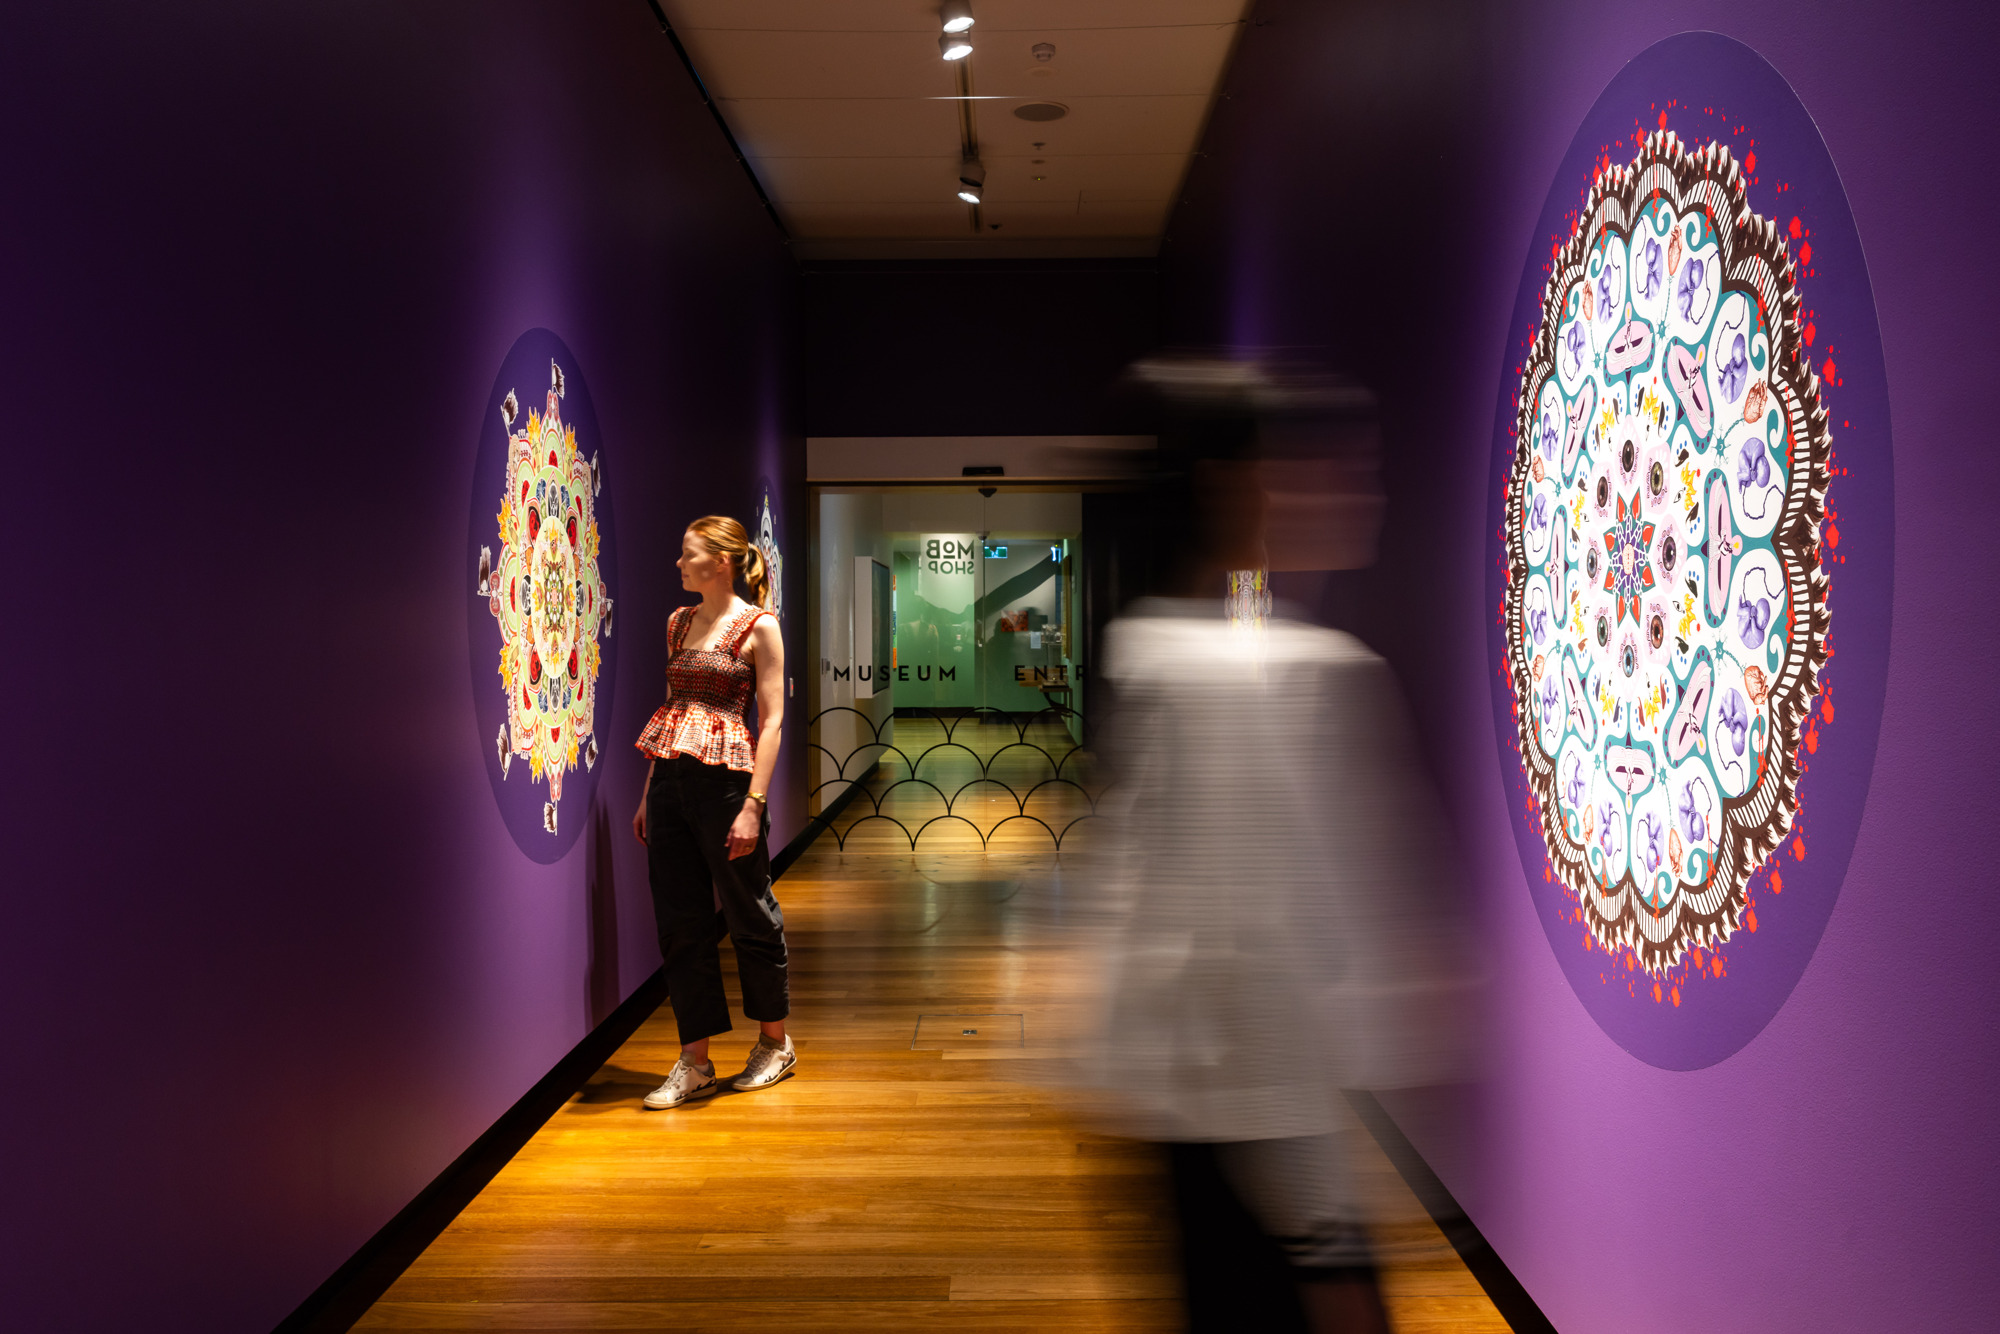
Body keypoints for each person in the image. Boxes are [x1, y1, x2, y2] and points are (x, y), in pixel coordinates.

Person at [632, 515, 795, 1109]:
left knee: (749, 911)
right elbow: (673, 708)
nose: (678, 565)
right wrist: (650, 790)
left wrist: (755, 803)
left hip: (728, 785)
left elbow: (772, 719)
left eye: (688, 554)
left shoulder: (760, 626)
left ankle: (774, 1043)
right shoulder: (678, 623)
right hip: (673, 778)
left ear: (720, 562)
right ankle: (694, 1060)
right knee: (681, 922)